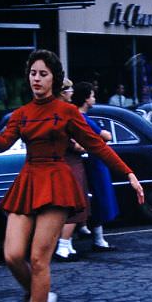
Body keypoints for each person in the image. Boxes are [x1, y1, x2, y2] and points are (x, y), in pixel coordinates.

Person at [0, 49, 144, 302]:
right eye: (33, 73)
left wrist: (127, 172)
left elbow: (96, 145)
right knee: (11, 255)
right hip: (29, 180)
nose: (36, 79)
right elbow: (0, 145)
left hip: (57, 181)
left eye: (43, 74)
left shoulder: (67, 111)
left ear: (54, 78)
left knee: (38, 259)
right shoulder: (21, 113)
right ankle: (41, 298)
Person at [72, 81, 122, 252]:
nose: (94, 98)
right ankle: (98, 239)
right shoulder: (83, 118)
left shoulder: (76, 117)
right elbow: (106, 136)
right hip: (93, 162)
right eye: (92, 95)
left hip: (85, 161)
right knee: (99, 199)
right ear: (86, 99)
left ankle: (84, 233)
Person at [53, 78, 90, 261]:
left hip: (56, 163)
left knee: (62, 205)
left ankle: (65, 245)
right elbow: (75, 140)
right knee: (73, 203)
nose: (72, 94)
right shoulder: (67, 112)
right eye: (69, 90)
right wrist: (80, 145)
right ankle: (63, 246)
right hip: (70, 161)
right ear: (62, 92)